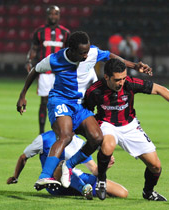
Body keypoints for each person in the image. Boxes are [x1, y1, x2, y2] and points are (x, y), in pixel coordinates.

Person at [16, 31, 152, 197]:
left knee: (97, 138)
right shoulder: (55, 59)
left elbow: (111, 56)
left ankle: (68, 165)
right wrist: (22, 95)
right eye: (82, 53)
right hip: (61, 101)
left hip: (80, 106)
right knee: (65, 136)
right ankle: (44, 176)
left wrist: (134, 65)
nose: (86, 55)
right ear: (71, 50)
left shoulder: (92, 53)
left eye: (87, 51)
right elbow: (35, 70)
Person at [63, 58, 169, 201]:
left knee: (155, 166)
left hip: (130, 126)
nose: (121, 82)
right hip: (106, 124)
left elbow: (160, 89)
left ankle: (148, 192)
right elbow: (86, 115)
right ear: (106, 77)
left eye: (123, 78)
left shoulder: (130, 83)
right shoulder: (94, 91)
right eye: (117, 80)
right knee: (108, 145)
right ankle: (101, 180)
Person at [6, 130, 128, 199]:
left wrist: (105, 164)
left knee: (122, 193)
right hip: (56, 183)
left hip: (75, 179)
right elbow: (23, 157)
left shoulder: (79, 143)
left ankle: (87, 191)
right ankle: (84, 189)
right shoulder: (44, 139)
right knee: (62, 165)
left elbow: (95, 170)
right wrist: (15, 177)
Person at [25, 5, 70, 134]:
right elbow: (33, 49)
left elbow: (70, 52)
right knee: (44, 102)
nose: (53, 16)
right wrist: (29, 60)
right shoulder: (39, 32)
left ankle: (62, 130)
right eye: (51, 14)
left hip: (60, 74)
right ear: (47, 15)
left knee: (61, 102)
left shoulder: (65, 33)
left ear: (59, 15)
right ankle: (41, 132)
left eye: (55, 14)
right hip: (45, 73)